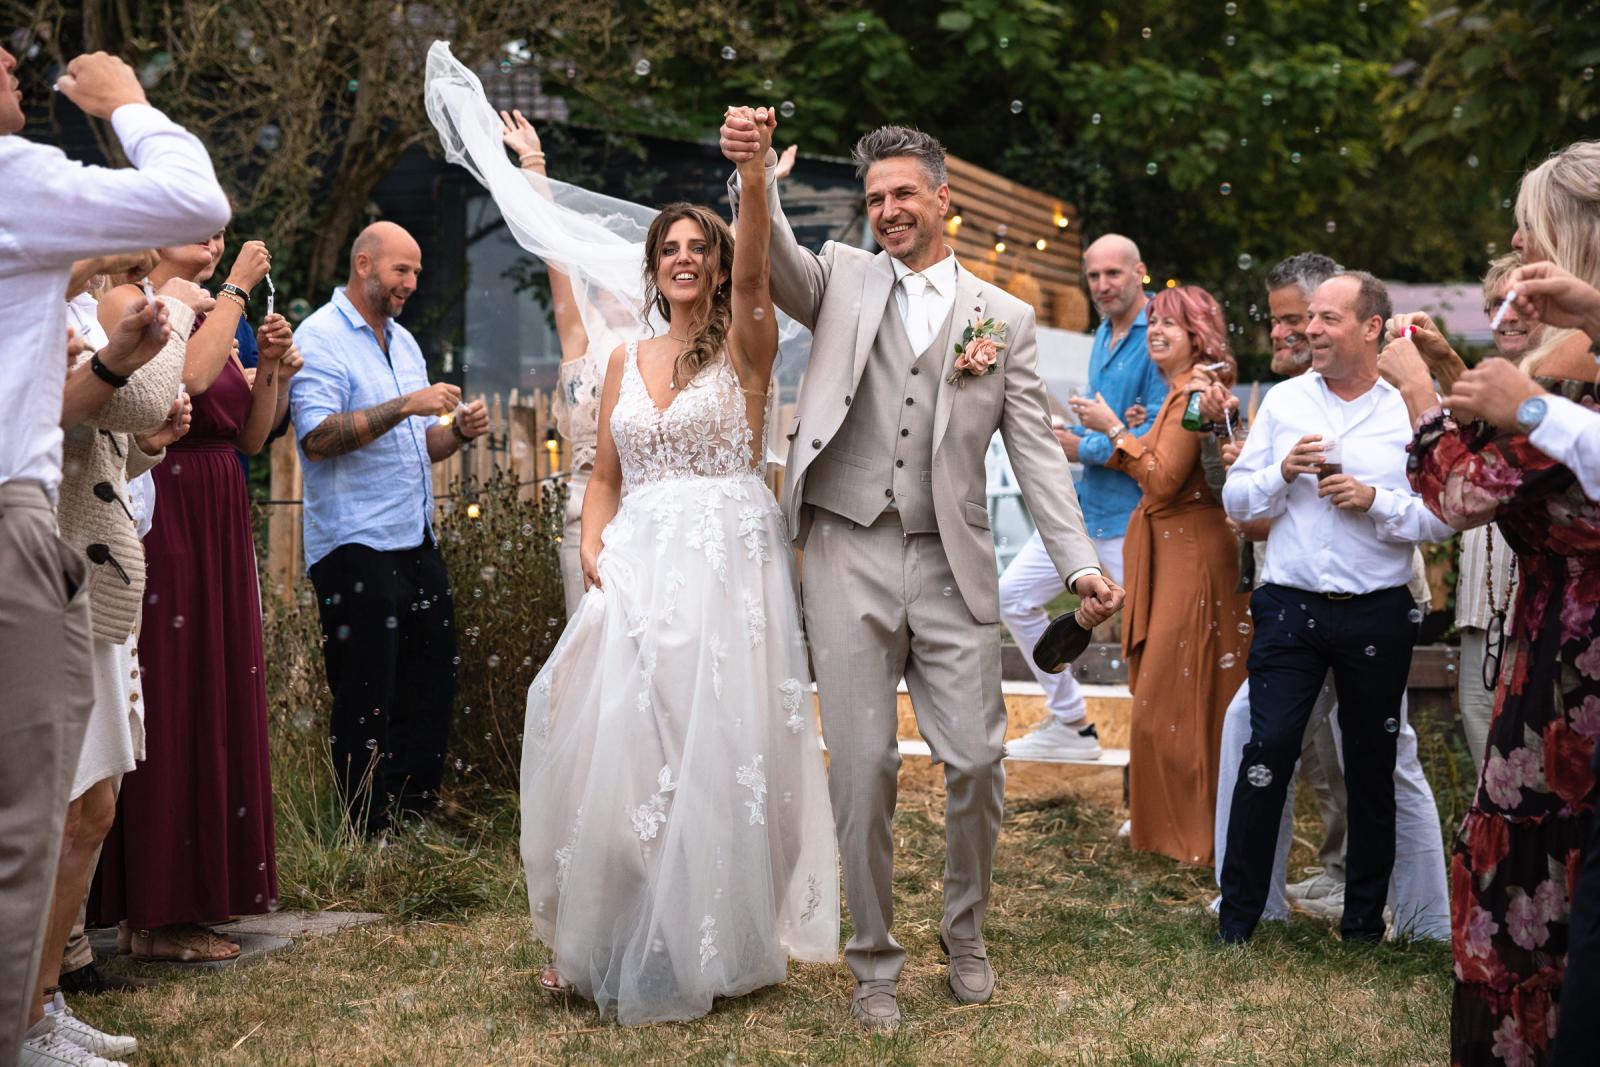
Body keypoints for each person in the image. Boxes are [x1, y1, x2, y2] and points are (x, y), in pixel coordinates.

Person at [722, 115, 1121, 1029]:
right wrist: (754, 177)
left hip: (951, 559)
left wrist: (1080, 566)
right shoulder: (841, 278)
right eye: (875, 200)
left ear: (945, 198)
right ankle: (873, 961)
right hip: (846, 549)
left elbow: (1037, 458)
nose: (889, 211)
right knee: (860, 769)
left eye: (904, 194)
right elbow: (771, 257)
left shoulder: (1004, 318)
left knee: (978, 758)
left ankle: (966, 929)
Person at [520, 108, 839, 1024]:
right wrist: (590, 547)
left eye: (700, 246)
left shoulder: (746, 343)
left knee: (717, 743)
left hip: (726, 564)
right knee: (614, 744)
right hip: (633, 564)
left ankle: (711, 930)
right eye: (673, 248)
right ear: (653, 266)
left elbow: (751, 275)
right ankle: (607, 929)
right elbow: (605, 476)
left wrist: (749, 178)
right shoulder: (623, 357)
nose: (687, 258)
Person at [0, 44, 229, 1067]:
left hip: (73, 531)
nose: (19, 73)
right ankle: (25, 1019)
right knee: (36, 811)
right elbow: (193, 194)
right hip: (39, 526)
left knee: (71, 802)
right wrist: (125, 103)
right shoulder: (18, 189)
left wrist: (116, 364)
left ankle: (38, 1003)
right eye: (3, 66)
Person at [1403, 141, 1600, 1066]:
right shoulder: (1566, 350)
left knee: (1549, 910)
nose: (1516, 244)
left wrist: (1419, 399)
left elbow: (1462, 494)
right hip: (1547, 656)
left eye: (1530, 226)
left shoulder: (1573, 368)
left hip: (1576, 678)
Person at [1216, 271, 1456, 945]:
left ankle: (1363, 927)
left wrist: (1374, 502)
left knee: (1372, 768)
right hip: (1289, 609)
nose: (1308, 330)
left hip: (1376, 612)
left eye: (1326, 318)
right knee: (1266, 750)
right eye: (1307, 318)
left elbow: (1442, 515)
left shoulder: (1408, 408)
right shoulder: (1288, 403)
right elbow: (1237, 502)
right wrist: (1281, 471)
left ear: (1371, 328)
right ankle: (1239, 920)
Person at [92, 237, 291, 965]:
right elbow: (194, 378)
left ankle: (203, 890)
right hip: (165, 508)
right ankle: (154, 907)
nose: (215, 242)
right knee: (171, 697)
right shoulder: (151, 306)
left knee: (214, 693)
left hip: (219, 505)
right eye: (200, 231)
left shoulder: (217, 312)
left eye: (220, 233)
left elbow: (249, 432)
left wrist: (269, 368)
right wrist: (237, 283)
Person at [38, 273, 197, 1063]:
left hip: (94, 578)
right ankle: (27, 1011)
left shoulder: (72, 308)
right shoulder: (35, 303)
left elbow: (104, 441)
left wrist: (149, 443)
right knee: (63, 813)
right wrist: (185, 303)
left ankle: (41, 1000)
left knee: (92, 808)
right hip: (51, 579)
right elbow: (123, 398)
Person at [290, 222, 489, 834]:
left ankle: (412, 817)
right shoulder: (320, 337)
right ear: (364, 264)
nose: (411, 283)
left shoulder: (402, 342)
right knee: (366, 690)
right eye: (401, 270)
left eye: (417, 273)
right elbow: (318, 438)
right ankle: (363, 830)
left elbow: (412, 448)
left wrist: (455, 433)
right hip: (353, 544)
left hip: (413, 536)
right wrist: (407, 403)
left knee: (430, 680)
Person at [1072, 285, 1250, 864]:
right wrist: (1134, 433)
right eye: (1153, 322)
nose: (1155, 330)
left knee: (1178, 693)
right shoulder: (1178, 395)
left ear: (1198, 334)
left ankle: (1193, 835)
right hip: (1170, 547)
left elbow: (1162, 479)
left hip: (1191, 552)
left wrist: (1111, 429)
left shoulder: (1196, 395)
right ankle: (1173, 829)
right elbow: (1157, 459)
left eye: (1170, 324)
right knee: (1168, 689)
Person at [1206, 252, 1352, 920]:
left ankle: (1365, 887)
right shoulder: (1279, 397)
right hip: (1291, 595)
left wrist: (1268, 476)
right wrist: (1236, 453)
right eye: (1278, 320)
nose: (1286, 333)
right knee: (1312, 748)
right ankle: (1306, 880)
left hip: (1350, 597)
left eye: (1299, 318)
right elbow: (1247, 513)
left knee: (1359, 750)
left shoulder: (1337, 400)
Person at [1001, 234, 1165, 762]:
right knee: (1011, 597)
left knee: (1149, 645)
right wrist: (1072, 434)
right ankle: (1072, 722)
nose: (1101, 286)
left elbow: (1156, 439)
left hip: (1131, 520)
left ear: (1140, 271)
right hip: (1082, 514)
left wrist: (1082, 443)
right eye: (1093, 276)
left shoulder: (1160, 334)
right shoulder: (1102, 331)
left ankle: (1154, 777)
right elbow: (1111, 426)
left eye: (1113, 274)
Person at [499, 110, 601, 614]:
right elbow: (554, 257)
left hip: (651, 513)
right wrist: (533, 163)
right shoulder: (581, 340)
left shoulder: (666, 344)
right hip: (584, 510)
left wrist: (757, 191)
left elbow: (725, 274)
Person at [1455, 254, 1532, 767]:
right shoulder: (1477, 390)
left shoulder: (1569, 388)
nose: (1505, 315)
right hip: (1481, 618)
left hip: (1541, 619)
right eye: (1494, 304)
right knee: (1488, 765)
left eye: (1519, 302)